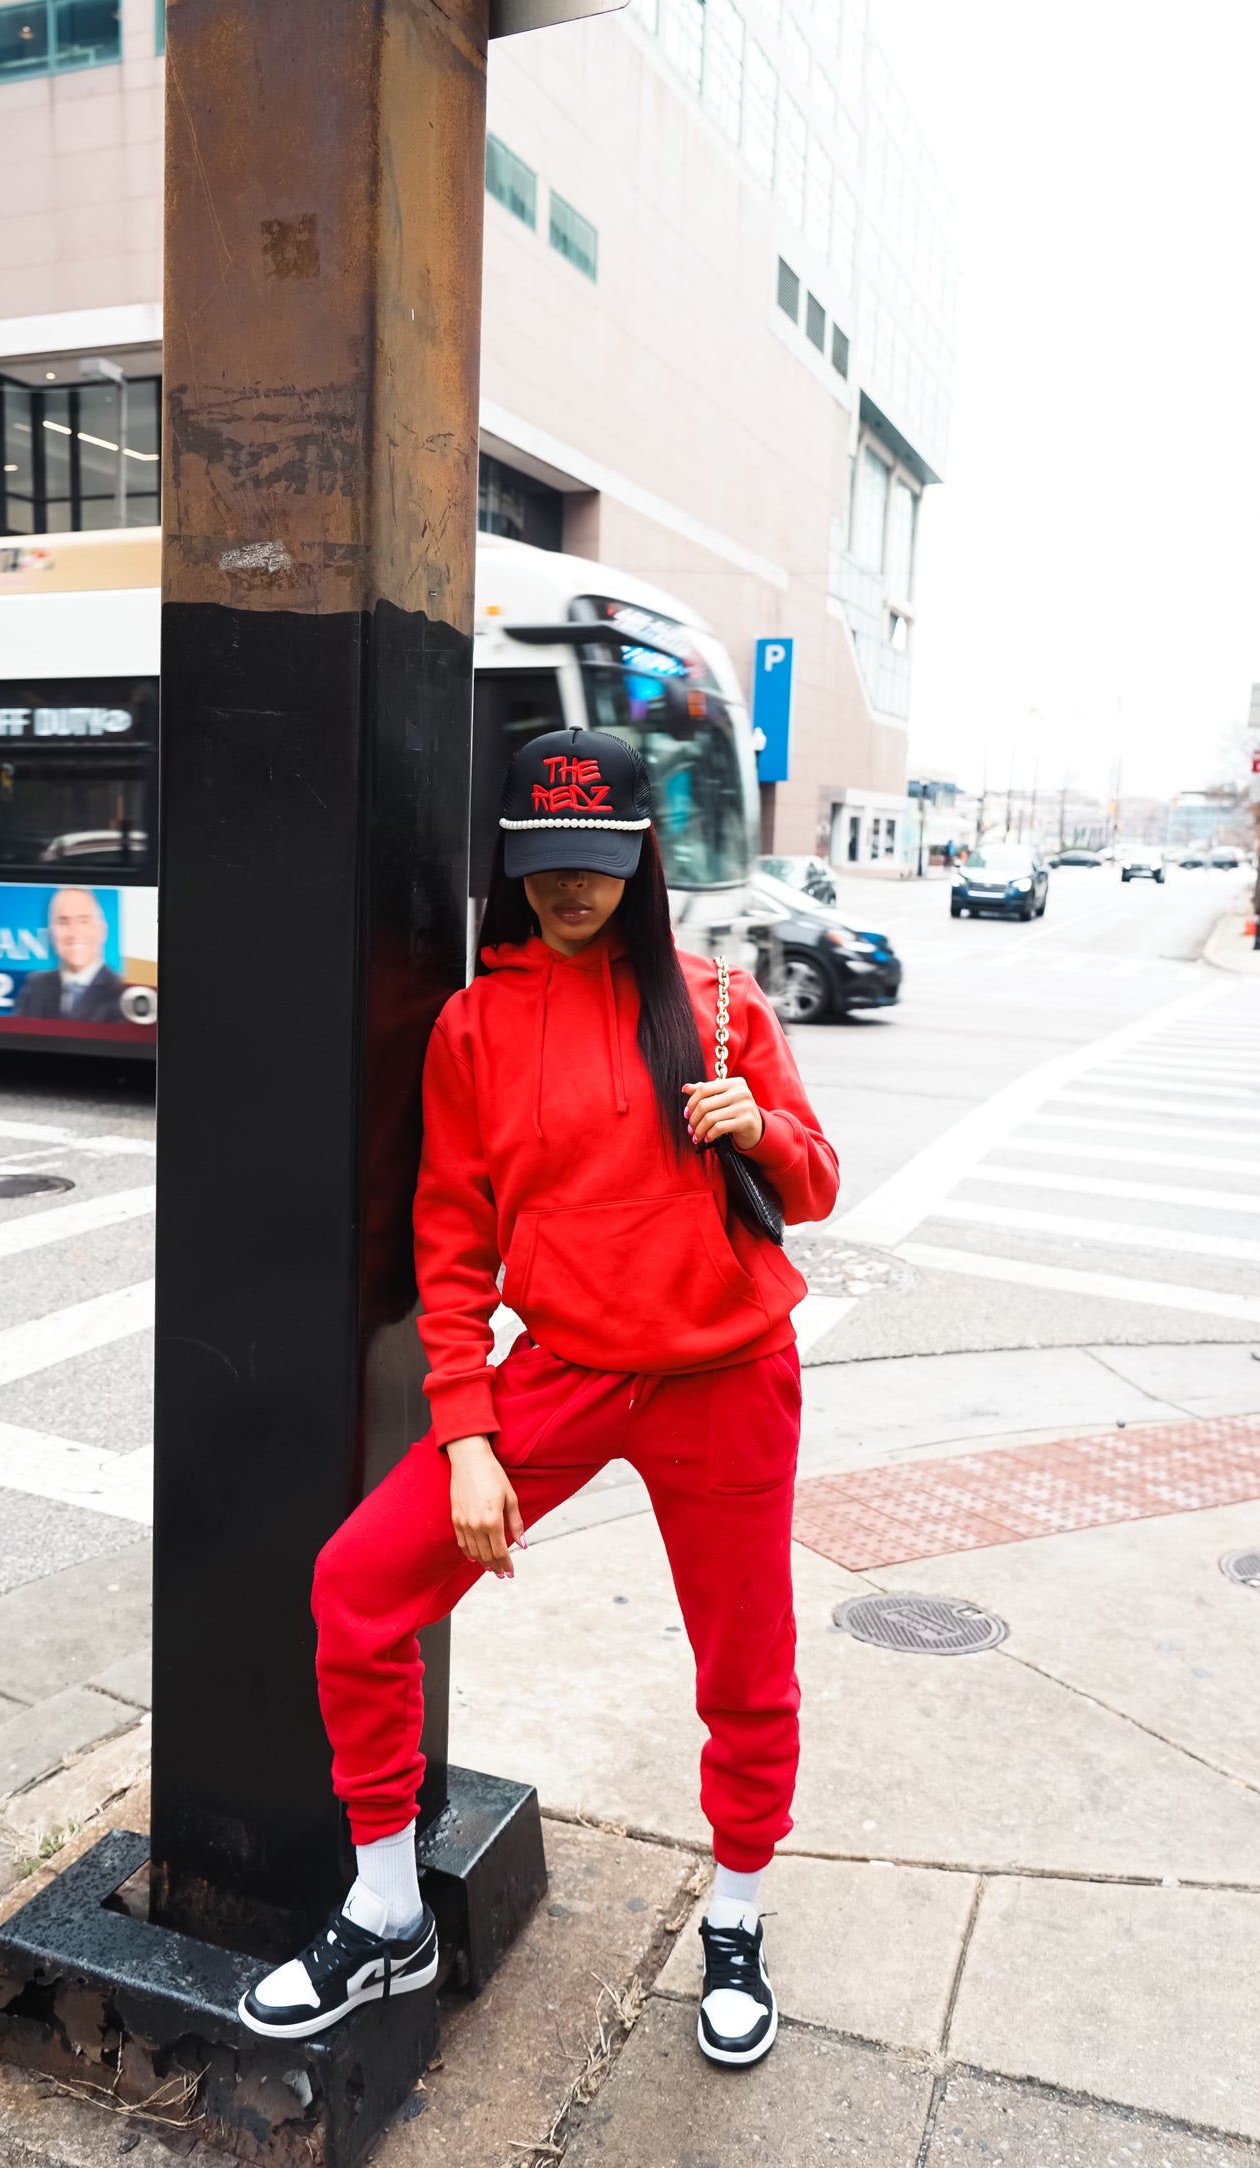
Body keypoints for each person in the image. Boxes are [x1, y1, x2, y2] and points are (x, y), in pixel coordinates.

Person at [238, 727, 839, 2068]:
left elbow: (816, 1183)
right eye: (546, 866)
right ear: (511, 863)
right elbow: (449, 1242)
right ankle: (387, 1905)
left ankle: (734, 1914)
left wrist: (762, 1127)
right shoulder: (476, 1025)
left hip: (730, 1381)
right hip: (562, 1374)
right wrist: (464, 1435)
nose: (572, 893)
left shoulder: (721, 1001)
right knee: (355, 1587)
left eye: (599, 864)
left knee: (746, 1671)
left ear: (640, 856)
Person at [13, 887, 125, 1022]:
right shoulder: (35, 986)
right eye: (64, 922)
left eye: (84, 921)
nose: (74, 933)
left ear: (101, 929)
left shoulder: (121, 990)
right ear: (51, 933)